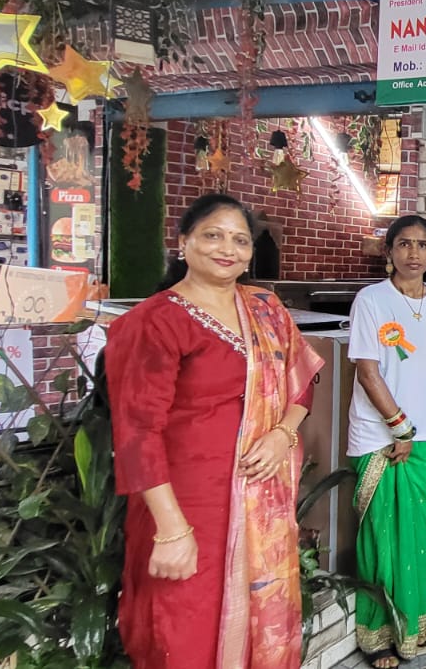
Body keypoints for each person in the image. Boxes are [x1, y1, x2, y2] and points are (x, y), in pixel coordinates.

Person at [108, 193, 324, 669]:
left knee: (255, 624)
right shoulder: (154, 323)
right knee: (184, 628)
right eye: (213, 235)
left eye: (240, 240)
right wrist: (169, 529)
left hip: (260, 504)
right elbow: (137, 433)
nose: (227, 248)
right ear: (183, 243)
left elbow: (302, 385)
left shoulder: (266, 310)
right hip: (186, 509)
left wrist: (282, 434)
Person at [347, 215, 426, 668]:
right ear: (389, 251)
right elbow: (367, 370)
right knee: (381, 538)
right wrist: (398, 426)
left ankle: (414, 620)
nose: (414, 252)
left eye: (423, 245)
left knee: (418, 537)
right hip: (380, 435)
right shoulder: (371, 299)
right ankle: (378, 634)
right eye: (404, 244)